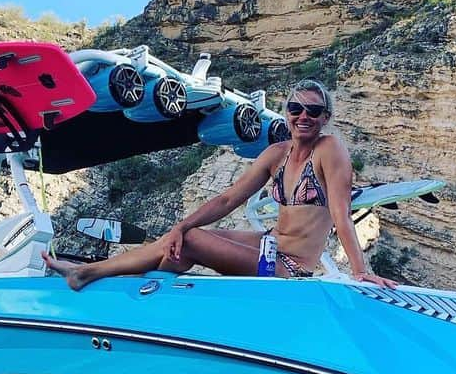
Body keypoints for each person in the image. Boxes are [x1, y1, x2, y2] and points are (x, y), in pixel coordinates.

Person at [43, 79, 394, 290]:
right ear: (287, 111)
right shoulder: (277, 153)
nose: (304, 116)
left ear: (325, 118)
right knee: (181, 234)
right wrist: (181, 225)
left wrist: (361, 272)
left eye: (314, 111)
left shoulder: (329, 149)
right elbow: (228, 199)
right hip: (268, 244)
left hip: (291, 266)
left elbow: (340, 212)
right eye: (296, 108)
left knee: (192, 239)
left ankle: (89, 275)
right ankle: (138, 287)